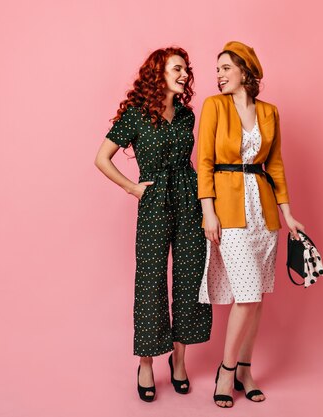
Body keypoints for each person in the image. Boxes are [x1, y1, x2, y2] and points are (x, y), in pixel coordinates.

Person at [94, 47, 212, 402]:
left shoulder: (187, 115)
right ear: (157, 73)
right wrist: (132, 187)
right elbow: (101, 158)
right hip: (154, 201)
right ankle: (146, 363)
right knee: (151, 280)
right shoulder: (135, 115)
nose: (184, 75)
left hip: (189, 198)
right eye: (177, 69)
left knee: (191, 277)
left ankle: (179, 359)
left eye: (186, 70)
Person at [197, 41, 305, 408]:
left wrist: (288, 214)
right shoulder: (214, 106)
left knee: (256, 299)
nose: (219, 75)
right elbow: (206, 161)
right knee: (247, 294)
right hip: (228, 211)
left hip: (263, 212)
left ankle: (245, 369)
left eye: (226, 68)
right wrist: (207, 211)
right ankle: (226, 371)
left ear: (245, 71)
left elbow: (275, 166)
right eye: (218, 69)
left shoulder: (270, 112)